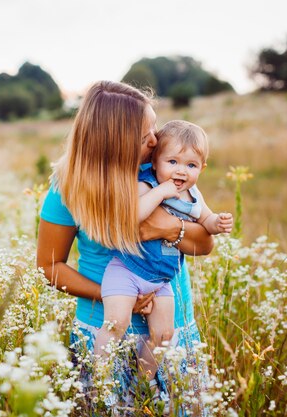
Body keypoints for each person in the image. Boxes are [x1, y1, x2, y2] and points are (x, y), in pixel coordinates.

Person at [36, 81, 214, 413]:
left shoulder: (163, 171)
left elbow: (204, 243)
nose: (155, 140)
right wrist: (116, 297)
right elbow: (50, 267)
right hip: (103, 331)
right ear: (113, 141)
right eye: (144, 134)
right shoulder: (68, 189)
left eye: (155, 128)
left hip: (174, 326)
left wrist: (168, 227)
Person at [93, 119, 233, 394]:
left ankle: (143, 383)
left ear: (201, 169)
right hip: (127, 271)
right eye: (172, 162)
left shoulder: (192, 195)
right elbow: (132, 216)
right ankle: (100, 379)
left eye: (191, 165)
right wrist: (161, 192)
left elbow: (205, 221)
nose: (181, 171)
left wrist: (218, 222)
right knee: (115, 325)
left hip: (161, 281)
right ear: (154, 162)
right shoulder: (145, 184)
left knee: (164, 335)